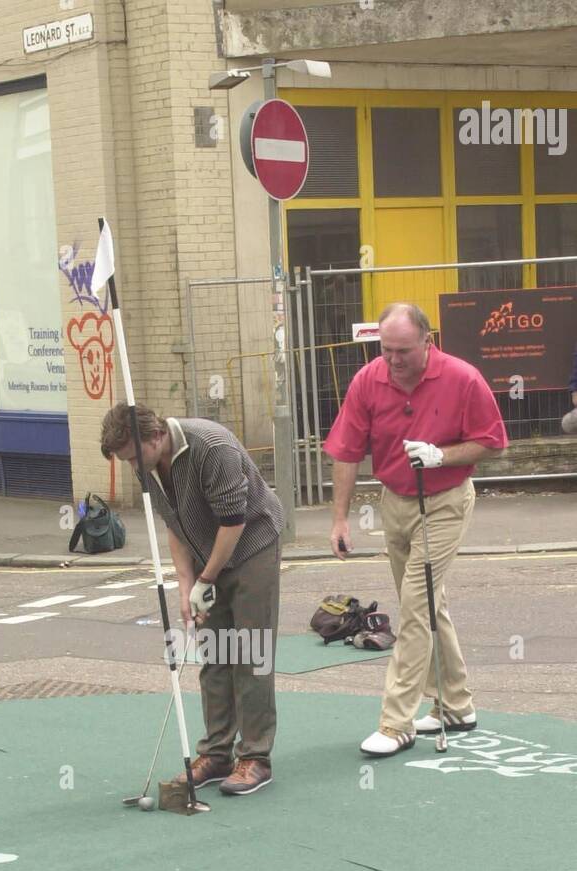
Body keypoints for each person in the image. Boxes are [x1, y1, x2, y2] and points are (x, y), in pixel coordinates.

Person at [324, 302, 508, 757]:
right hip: (396, 502)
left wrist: (441, 455)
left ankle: (396, 723)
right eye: (385, 350)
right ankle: (457, 706)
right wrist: (340, 518)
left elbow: (493, 443)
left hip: (445, 501)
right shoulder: (369, 379)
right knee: (430, 606)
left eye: (403, 350)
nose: (393, 360)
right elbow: (346, 451)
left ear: (428, 340)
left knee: (414, 606)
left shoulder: (462, 378)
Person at [101, 404, 284, 794]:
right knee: (214, 654)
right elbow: (175, 525)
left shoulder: (211, 447)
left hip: (252, 545)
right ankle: (217, 754)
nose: (133, 466)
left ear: (155, 437)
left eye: (133, 456)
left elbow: (234, 522)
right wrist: (186, 588)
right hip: (206, 555)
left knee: (249, 652)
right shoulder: (147, 463)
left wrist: (207, 578)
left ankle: (255, 757)